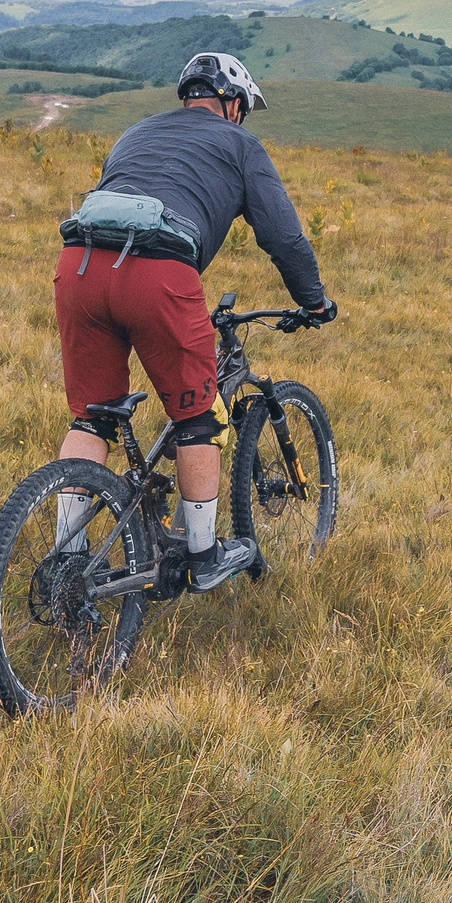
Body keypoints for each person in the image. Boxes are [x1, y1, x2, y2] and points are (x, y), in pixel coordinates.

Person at [53, 52, 334, 590]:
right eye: (243, 109)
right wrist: (315, 300)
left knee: (91, 418)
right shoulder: (240, 144)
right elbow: (284, 238)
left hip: (80, 265)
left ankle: (68, 557)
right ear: (232, 105)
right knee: (198, 418)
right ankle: (203, 556)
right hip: (157, 273)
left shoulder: (135, 133)